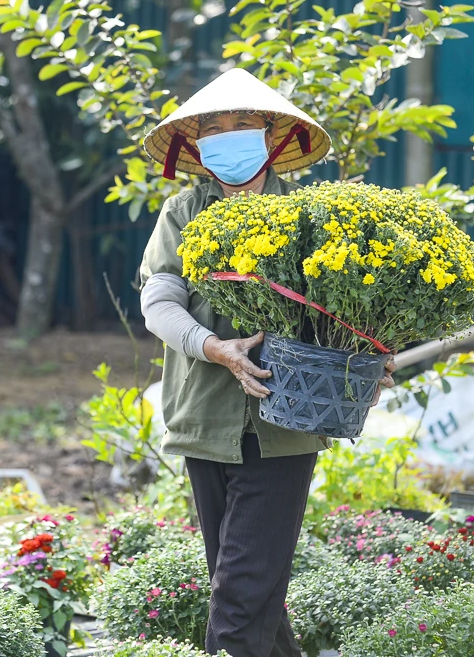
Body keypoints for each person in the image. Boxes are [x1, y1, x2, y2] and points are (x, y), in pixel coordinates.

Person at [136, 68, 395, 657]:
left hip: (287, 420)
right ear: (197, 144)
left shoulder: (312, 218)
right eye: (215, 129)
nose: (229, 138)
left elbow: (347, 312)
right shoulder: (183, 212)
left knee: (240, 601)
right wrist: (214, 347)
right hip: (204, 417)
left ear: (272, 136)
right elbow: (159, 300)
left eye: (244, 125)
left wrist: (368, 360)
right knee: (254, 595)